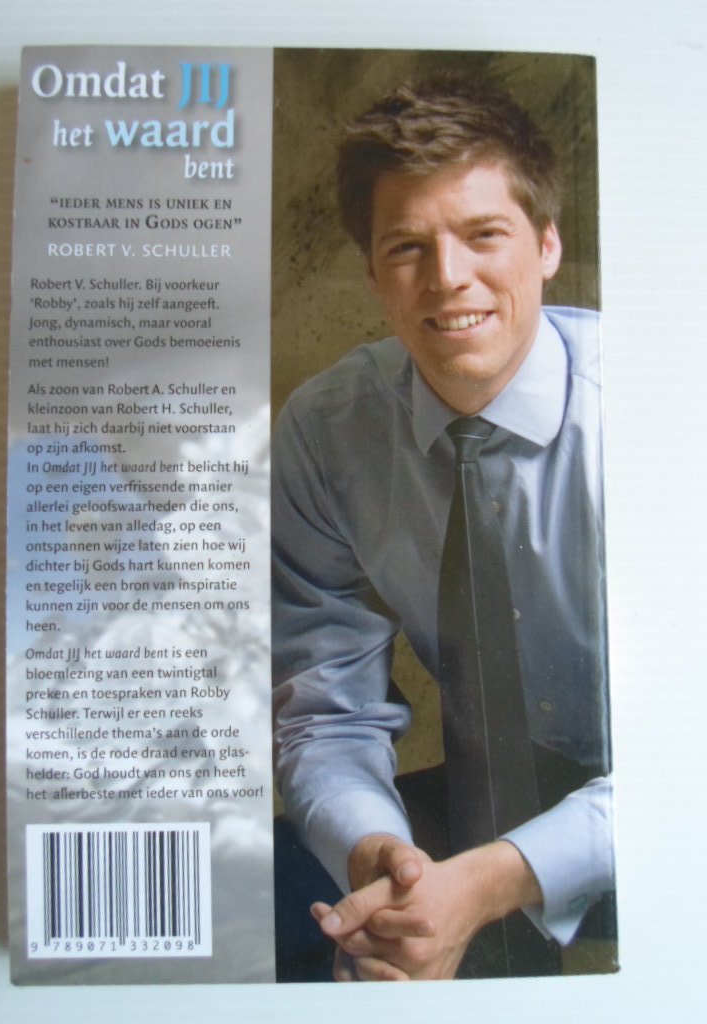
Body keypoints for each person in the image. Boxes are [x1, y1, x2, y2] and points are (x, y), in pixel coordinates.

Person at [272, 75, 615, 982]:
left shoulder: (658, 410)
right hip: (476, 797)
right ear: (371, 273)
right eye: (407, 247)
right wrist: (379, 865)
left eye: (484, 234)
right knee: (253, 925)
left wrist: (495, 882)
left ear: (547, 243)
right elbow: (326, 714)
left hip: (662, 795)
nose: (448, 277)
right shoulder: (327, 432)